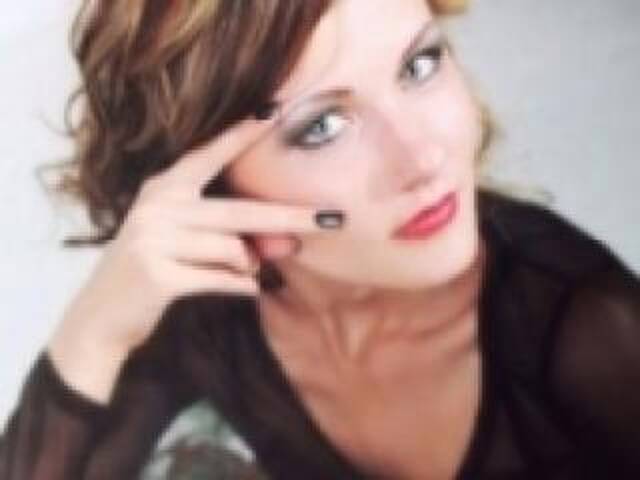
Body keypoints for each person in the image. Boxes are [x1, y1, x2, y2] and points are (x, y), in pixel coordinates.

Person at [1, 0, 639, 478]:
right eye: (323, 126)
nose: (423, 158)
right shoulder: (208, 317)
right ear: (210, 184)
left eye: (420, 64)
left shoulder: (590, 329)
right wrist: (94, 330)